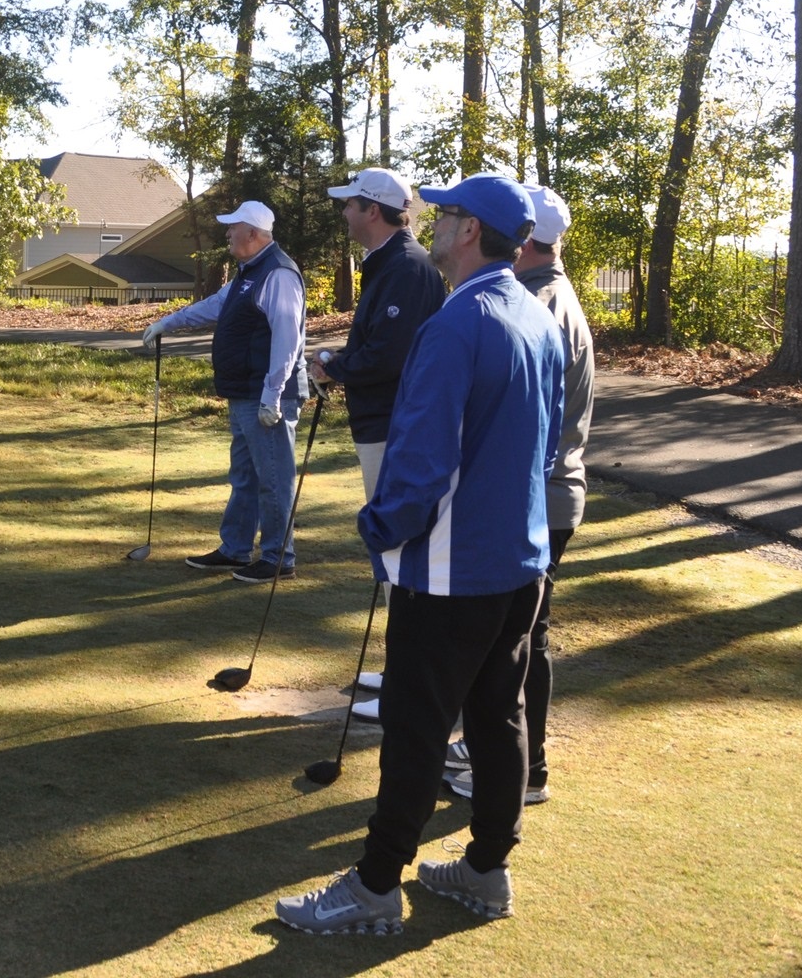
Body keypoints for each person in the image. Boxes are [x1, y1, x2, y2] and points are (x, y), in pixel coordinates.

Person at [274, 174, 565, 936]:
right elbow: (545, 443)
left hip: (450, 569)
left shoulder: (458, 322)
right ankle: (485, 871)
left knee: (414, 728)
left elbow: (423, 459)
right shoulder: (535, 316)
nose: (432, 222)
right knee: (497, 717)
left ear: (471, 231)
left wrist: (380, 527)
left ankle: (374, 888)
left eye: (446, 214)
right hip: (518, 562)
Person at [446, 182, 594, 807]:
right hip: (545, 492)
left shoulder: (539, 302)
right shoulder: (546, 293)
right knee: (520, 636)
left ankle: (524, 768)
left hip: (540, 494)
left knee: (520, 641)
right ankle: (505, 753)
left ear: (525, 239)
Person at [142, 201, 310, 583]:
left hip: (268, 396)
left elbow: (287, 339)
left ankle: (278, 557)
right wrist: (168, 322)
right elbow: (215, 307)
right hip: (245, 393)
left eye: (233, 227)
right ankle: (235, 548)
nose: (227, 234)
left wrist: (272, 395)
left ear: (253, 233)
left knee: (272, 477)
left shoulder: (278, 274)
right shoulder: (249, 273)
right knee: (246, 476)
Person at [313, 168, 445, 501]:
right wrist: (338, 360)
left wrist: (333, 368)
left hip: (396, 427)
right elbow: (382, 341)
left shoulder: (406, 267)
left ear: (372, 211)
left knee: (393, 541)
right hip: (386, 423)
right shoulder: (392, 262)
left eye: (349, 205)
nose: (344, 213)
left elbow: (388, 357)